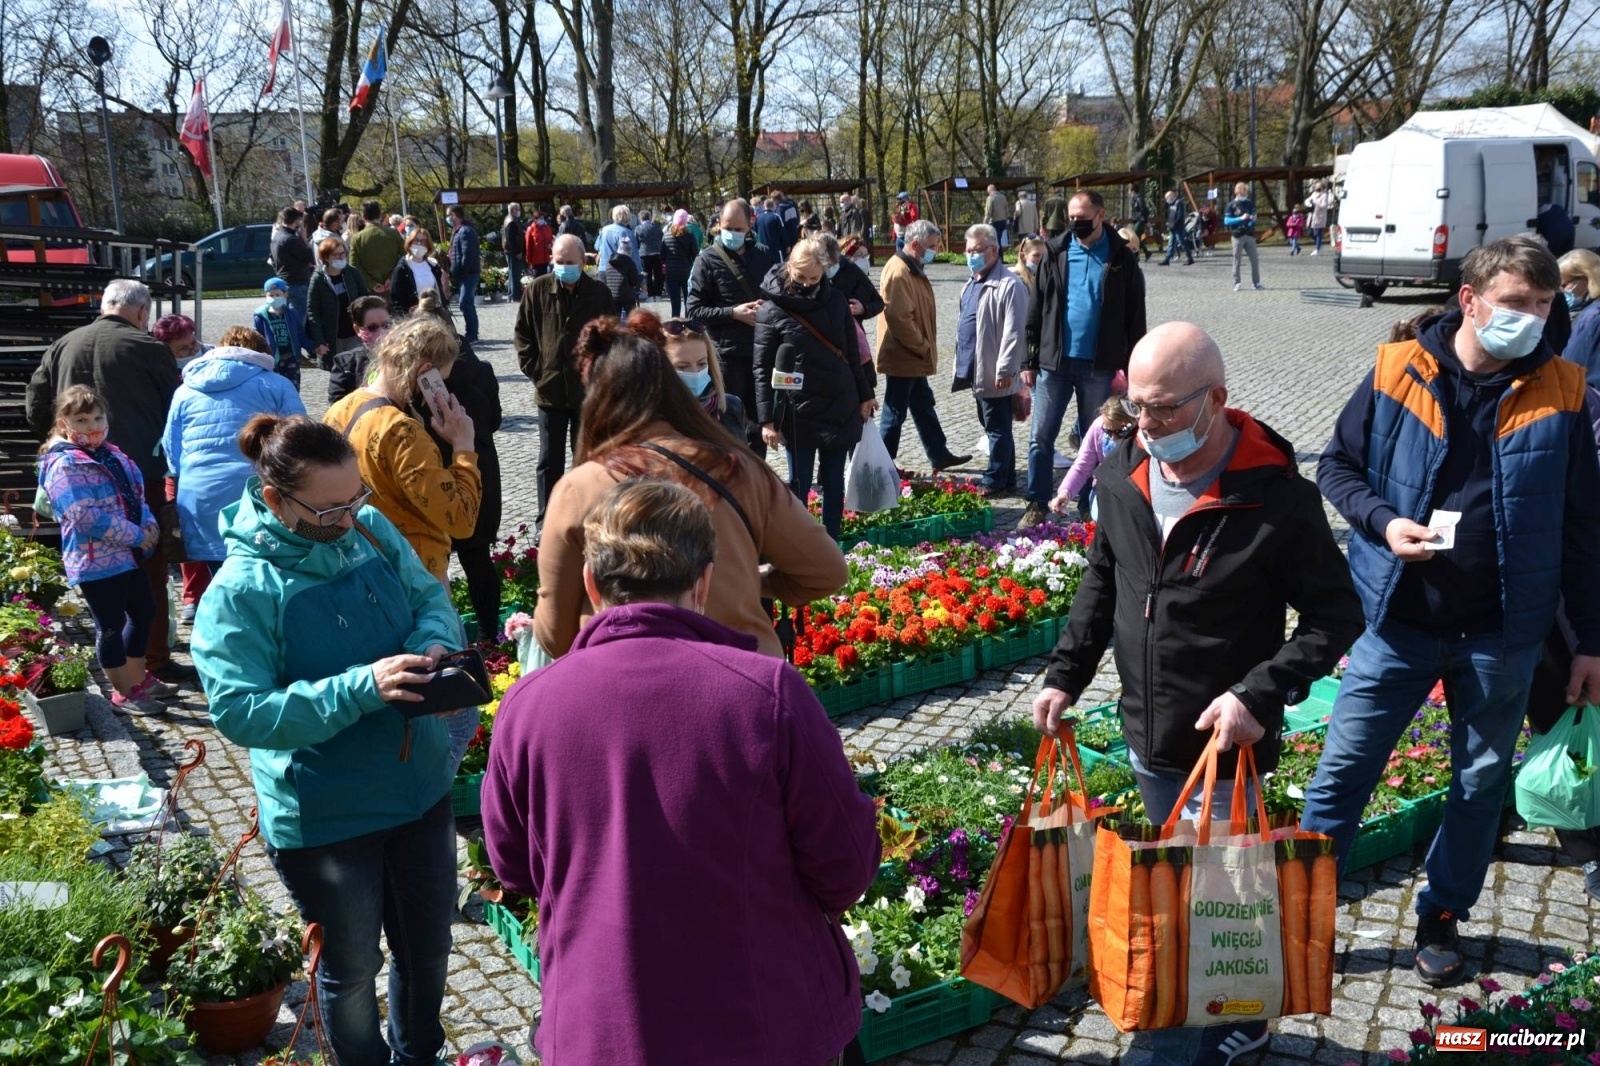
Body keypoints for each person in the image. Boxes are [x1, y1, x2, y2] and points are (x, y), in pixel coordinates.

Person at [1033, 321, 1363, 1066]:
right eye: (1136, 405)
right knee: (1189, 897)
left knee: (1197, 909)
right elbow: (1104, 580)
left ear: (1216, 399)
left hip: (1223, 747)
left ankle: (1185, 1041)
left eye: (1165, 408)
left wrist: (1258, 693)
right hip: (1147, 733)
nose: (1146, 425)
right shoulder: (1123, 469)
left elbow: (1338, 615)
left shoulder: (1277, 499)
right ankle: (1239, 1014)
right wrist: (1064, 673)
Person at [483, 478, 877, 1066]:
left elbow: (514, 866)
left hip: (602, 1027)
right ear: (703, 582)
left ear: (590, 583)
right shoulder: (766, 693)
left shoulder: (528, 705)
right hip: (761, 1023)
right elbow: (845, 865)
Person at [1304, 236, 1600, 988]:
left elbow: (1583, 529)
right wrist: (1382, 522)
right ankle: (1303, 917)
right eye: (1515, 303)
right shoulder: (1397, 368)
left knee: (1477, 787)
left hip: (1502, 634)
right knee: (1341, 777)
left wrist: (1591, 641)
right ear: (1469, 300)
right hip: (1398, 623)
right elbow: (1335, 466)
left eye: (1544, 305)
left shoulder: (1566, 389)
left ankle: (1442, 912)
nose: (1533, 318)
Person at [191, 413, 462, 1066]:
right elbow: (240, 711)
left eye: (355, 498)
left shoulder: (368, 527)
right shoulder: (241, 591)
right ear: (276, 499)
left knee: (428, 951)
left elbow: (430, 597)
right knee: (353, 970)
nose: (347, 519)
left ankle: (419, 1058)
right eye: (328, 510)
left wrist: (435, 640)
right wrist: (363, 687)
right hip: (327, 818)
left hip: (419, 789)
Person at [532, 329, 848, 659]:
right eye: (683, 368)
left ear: (596, 398)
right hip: (743, 670)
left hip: (623, 673)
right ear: (673, 388)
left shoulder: (579, 487)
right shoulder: (741, 469)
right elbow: (826, 571)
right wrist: (748, 582)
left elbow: (554, 637)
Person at [25, 279, 188, 683]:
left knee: (100, 565)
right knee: (148, 566)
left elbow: (35, 404)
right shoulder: (149, 347)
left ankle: (122, 657)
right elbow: (176, 410)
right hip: (137, 472)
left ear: (104, 305)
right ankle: (151, 660)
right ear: (142, 311)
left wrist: (62, 442)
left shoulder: (64, 343)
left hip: (78, 471)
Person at [1019, 189, 1147, 528]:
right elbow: (1035, 307)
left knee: (1098, 439)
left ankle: (1089, 502)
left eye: (1083, 217)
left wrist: (1135, 367)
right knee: (1040, 437)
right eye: (1072, 217)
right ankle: (1037, 502)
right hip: (1054, 363)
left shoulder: (1121, 257)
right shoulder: (1056, 252)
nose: (1076, 223)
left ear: (1100, 215)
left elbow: (1135, 315)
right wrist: (1028, 360)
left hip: (1099, 365)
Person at [38, 385, 164, 712]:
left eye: (97, 418)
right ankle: (123, 691)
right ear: (64, 423)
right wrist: (136, 535)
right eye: (81, 420)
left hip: (128, 554)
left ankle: (138, 678)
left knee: (144, 612)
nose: (92, 426)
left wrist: (149, 524)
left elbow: (136, 496)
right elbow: (83, 516)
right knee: (110, 626)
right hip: (95, 561)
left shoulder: (111, 452)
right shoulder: (64, 464)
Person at [754, 237, 877, 541]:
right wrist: (767, 420)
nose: (807, 284)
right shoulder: (771, 309)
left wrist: (865, 395)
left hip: (839, 402)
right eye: (801, 277)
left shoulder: (836, 300)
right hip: (799, 411)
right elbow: (761, 368)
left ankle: (831, 545)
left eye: (814, 277)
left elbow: (851, 353)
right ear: (789, 267)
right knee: (800, 484)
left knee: (834, 484)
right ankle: (800, 545)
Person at [161, 336, 307, 584]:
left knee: (221, 575)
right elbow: (300, 441)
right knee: (266, 573)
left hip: (201, 495)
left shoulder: (185, 390)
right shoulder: (276, 383)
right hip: (258, 493)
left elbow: (172, 452)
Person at [416, 292, 504, 644]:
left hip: (432, 475)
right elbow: (495, 421)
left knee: (431, 565)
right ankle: (489, 637)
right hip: (478, 469)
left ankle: (443, 638)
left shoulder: (419, 383)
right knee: (477, 558)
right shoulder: (482, 370)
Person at [514, 233, 618, 533]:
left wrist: (600, 376)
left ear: (583, 261)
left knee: (587, 460)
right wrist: (536, 371)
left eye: (570, 262)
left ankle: (587, 517)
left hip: (587, 393)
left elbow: (612, 338)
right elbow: (523, 335)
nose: (564, 267)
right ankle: (546, 522)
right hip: (550, 391)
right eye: (559, 261)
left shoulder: (598, 293)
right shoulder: (538, 289)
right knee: (549, 461)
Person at [873, 219, 969, 476]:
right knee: (895, 412)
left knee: (923, 404)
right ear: (915, 244)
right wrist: (922, 346)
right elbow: (900, 318)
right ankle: (882, 464)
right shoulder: (899, 271)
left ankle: (939, 454)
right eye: (932, 246)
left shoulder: (911, 266)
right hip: (904, 354)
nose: (936, 251)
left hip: (912, 354)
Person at [687, 198, 777, 456]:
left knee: (759, 425)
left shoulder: (764, 255)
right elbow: (693, 311)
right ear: (719, 224)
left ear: (750, 226)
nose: (733, 234)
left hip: (762, 353)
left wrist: (767, 307)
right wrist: (733, 313)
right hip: (726, 356)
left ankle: (755, 471)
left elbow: (780, 298)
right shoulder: (707, 260)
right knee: (728, 423)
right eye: (728, 228)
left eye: (739, 229)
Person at [954, 224, 1028, 499]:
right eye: (968, 250)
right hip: (976, 368)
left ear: (994, 251)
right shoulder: (972, 282)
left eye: (977, 250)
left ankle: (995, 480)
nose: (970, 255)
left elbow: (1014, 331)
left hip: (995, 369)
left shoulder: (1010, 285)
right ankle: (1008, 479)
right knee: (994, 426)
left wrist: (1006, 368)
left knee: (997, 428)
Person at [1049, 394, 1135, 519]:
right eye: (1108, 432)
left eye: (1121, 431)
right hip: (1105, 490)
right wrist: (1065, 493)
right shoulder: (1098, 427)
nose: (1113, 437)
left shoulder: (1145, 432)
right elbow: (1082, 467)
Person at [663, 316, 744, 442]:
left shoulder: (730, 406)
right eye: (682, 366)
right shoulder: (654, 419)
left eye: (702, 364)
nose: (695, 372)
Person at [308, 237, 369, 370]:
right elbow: (313, 311)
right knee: (339, 372)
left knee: (359, 369)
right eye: (336, 255)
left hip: (354, 333)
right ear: (326, 257)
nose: (341, 257)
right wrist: (319, 341)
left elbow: (365, 300)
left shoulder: (353, 273)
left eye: (343, 253)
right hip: (333, 336)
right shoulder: (318, 279)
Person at [270, 206, 315, 364]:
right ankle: (295, 353)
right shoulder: (291, 239)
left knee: (287, 319)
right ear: (296, 221)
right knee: (297, 321)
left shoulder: (277, 236)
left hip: (285, 281)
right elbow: (309, 257)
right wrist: (304, 238)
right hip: (297, 282)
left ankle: (290, 351)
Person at [328, 296, 390, 405]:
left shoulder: (407, 357)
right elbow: (337, 404)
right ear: (357, 329)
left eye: (386, 325)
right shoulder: (345, 363)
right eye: (373, 328)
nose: (382, 332)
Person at [1562, 248, 1600, 387]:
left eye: (1564, 285)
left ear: (1586, 278)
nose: (1561, 291)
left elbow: (1571, 365)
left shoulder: (1592, 316)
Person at [254, 277, 301, 388]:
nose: (274, 298)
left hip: (291, 357)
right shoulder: (260, 316)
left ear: (285, 294)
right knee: (275, 387)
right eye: (271, 295)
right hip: (272, 359)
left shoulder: (291, 314)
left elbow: (300, 334)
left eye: (278, 295)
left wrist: (314, 346)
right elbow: (257, 336)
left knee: (293, 387)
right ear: (265, 295)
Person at [350, 200, 403, 294]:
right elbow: (405, 257)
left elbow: (354, 266)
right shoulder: (393, 233)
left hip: (370, 291)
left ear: (363, 216)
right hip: (394, 287)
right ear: (380, 215)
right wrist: (392, 277)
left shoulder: (357, 238)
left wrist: (371, 283)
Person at [388, 227, 444, 315]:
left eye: (423, 241)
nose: (419, 243)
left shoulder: (433, 265)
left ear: (428, 245)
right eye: (416, 240)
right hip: (413, 315)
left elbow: (439, 290)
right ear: (410, 242)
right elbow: (396, 298)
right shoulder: (402, 268)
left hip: (433, 313)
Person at [446, 205, 480, 344]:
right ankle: (472, 332)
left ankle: (472, 333)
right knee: (466, 302)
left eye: (448, 215)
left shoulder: (465, 231)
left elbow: (468, 254)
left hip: (468, 273)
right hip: (464, 273)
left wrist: (462, 270)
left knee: (465, 302)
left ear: (454, 215)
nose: (447, 218)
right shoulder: (458, 230)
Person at [1223, 182, 1263, 291]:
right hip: (1237, 235)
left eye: (1245, 192)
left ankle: (1256, 282)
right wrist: (1240, 218)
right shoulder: (1231, 205)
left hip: (1249, 234)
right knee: (1237, 260)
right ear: (1237, 192)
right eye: (1242, 192)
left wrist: (1252, 220)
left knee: (1254, 259)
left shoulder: (1249, 203)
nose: (1244, 194)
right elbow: (1226, 221)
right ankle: (1237, 283)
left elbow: (1253, 217)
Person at [661, 209, 700, 318]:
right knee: (688, 299)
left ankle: (675, 322)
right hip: (686, 271)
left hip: (671, 272)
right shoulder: (689, 235)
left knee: (675, 301)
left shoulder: (666, 235)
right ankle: (688, 321)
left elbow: (662, 256)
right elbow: (695, 254)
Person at [601, 233, 642, 319]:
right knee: (631, 317)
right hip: (627, 296)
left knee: (615, 319)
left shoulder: (609, 262)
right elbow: (634, 281)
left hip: (612, 295)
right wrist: (641, 276)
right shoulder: (629, 262)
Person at [595, 204, 640, 275]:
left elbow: (597, 246)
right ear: (628, 216)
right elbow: (634, 256)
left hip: (603, 268)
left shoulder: (604, 230)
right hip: (619, 271)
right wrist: (639, 273)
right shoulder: (628, 233)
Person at [636, 208, 665, 299]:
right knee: (658, 274)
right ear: (649, 217)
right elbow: (662, 236)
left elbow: (636, 242)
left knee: (646, 274)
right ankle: (658, 292)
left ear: (640, 218)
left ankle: (649, 292)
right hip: (657, 253)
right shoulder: (657, 226)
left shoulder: (638, 228)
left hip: (644, 254)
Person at [502, 203, 527, 302]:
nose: (519, 211)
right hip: (513, 251)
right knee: (515, 274)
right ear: (512, 210)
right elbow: (510, 239)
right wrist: (518, 252)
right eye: (517, 209)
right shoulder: (511, 222)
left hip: (511, 251)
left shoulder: (511, 220)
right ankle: (515, 296)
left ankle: (511, 294)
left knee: (512, 273)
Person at [1160, 190, 1193, 266]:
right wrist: (1169, 224)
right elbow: (1171, 215)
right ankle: (1167, 259)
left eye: (1167, 198)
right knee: (1171, 244)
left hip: (1178, 227)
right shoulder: (1172, 204)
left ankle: (1190, 258)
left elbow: (1180, 216)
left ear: (1171, 196)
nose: (1167, 200)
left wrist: (1174, 225)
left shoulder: (1179, 204)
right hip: (1172, 227)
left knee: (1182, 243)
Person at [524, 206, 554, 279]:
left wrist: (551, 244)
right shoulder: (531, 229)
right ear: (535, 219)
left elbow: (551, 239)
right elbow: (528, 246)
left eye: (543, 218)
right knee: (538, 279)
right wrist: (529, 259)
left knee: (546, 279)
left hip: (546, 259)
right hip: (536, 261)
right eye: (540, 218)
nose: (542, 220)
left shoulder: (547, 228)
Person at [1307, 181, 1333, 255]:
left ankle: (1317, 249)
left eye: (1318, 187)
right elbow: (1307, 200)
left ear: (1322, 187)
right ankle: (1319, 244)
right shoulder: (1314, 194)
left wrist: (1315, 202)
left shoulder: (1324, 195)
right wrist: (1309, 204)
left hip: (1319, 217)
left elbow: (1324, 206)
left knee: (1318, 233)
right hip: (1312, 216)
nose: (1317, 188)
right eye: (1316, 187)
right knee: (1310, 232)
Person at [772, 185, 801, 253]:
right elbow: (797, 219)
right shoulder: (792, 205)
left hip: (787, 237)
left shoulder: (780, 208)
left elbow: (780, 224)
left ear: (775, 200)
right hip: (794, 234)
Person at [983, 183, 1010, 248]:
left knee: (995, 241)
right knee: (999, 239)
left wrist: (984, 223)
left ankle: (998, 253)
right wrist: (1006, 220)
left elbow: (988, 212)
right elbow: (1007, 210)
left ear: (989, 191)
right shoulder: (1003, 197)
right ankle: (1000, 253)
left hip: (994, 222)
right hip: (1003, 221)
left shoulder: (990, 198)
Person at [1130, 188, 1151, 260]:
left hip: (1140, 220)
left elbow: (1143, 209)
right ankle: (1145, 253)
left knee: (1135, 236)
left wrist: (1146, 220)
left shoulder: (1138, 198)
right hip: (1138, 219)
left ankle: (1138, 255)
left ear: (1133, 191)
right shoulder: (1136, 198)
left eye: (1130, 192)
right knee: (1137, 238)